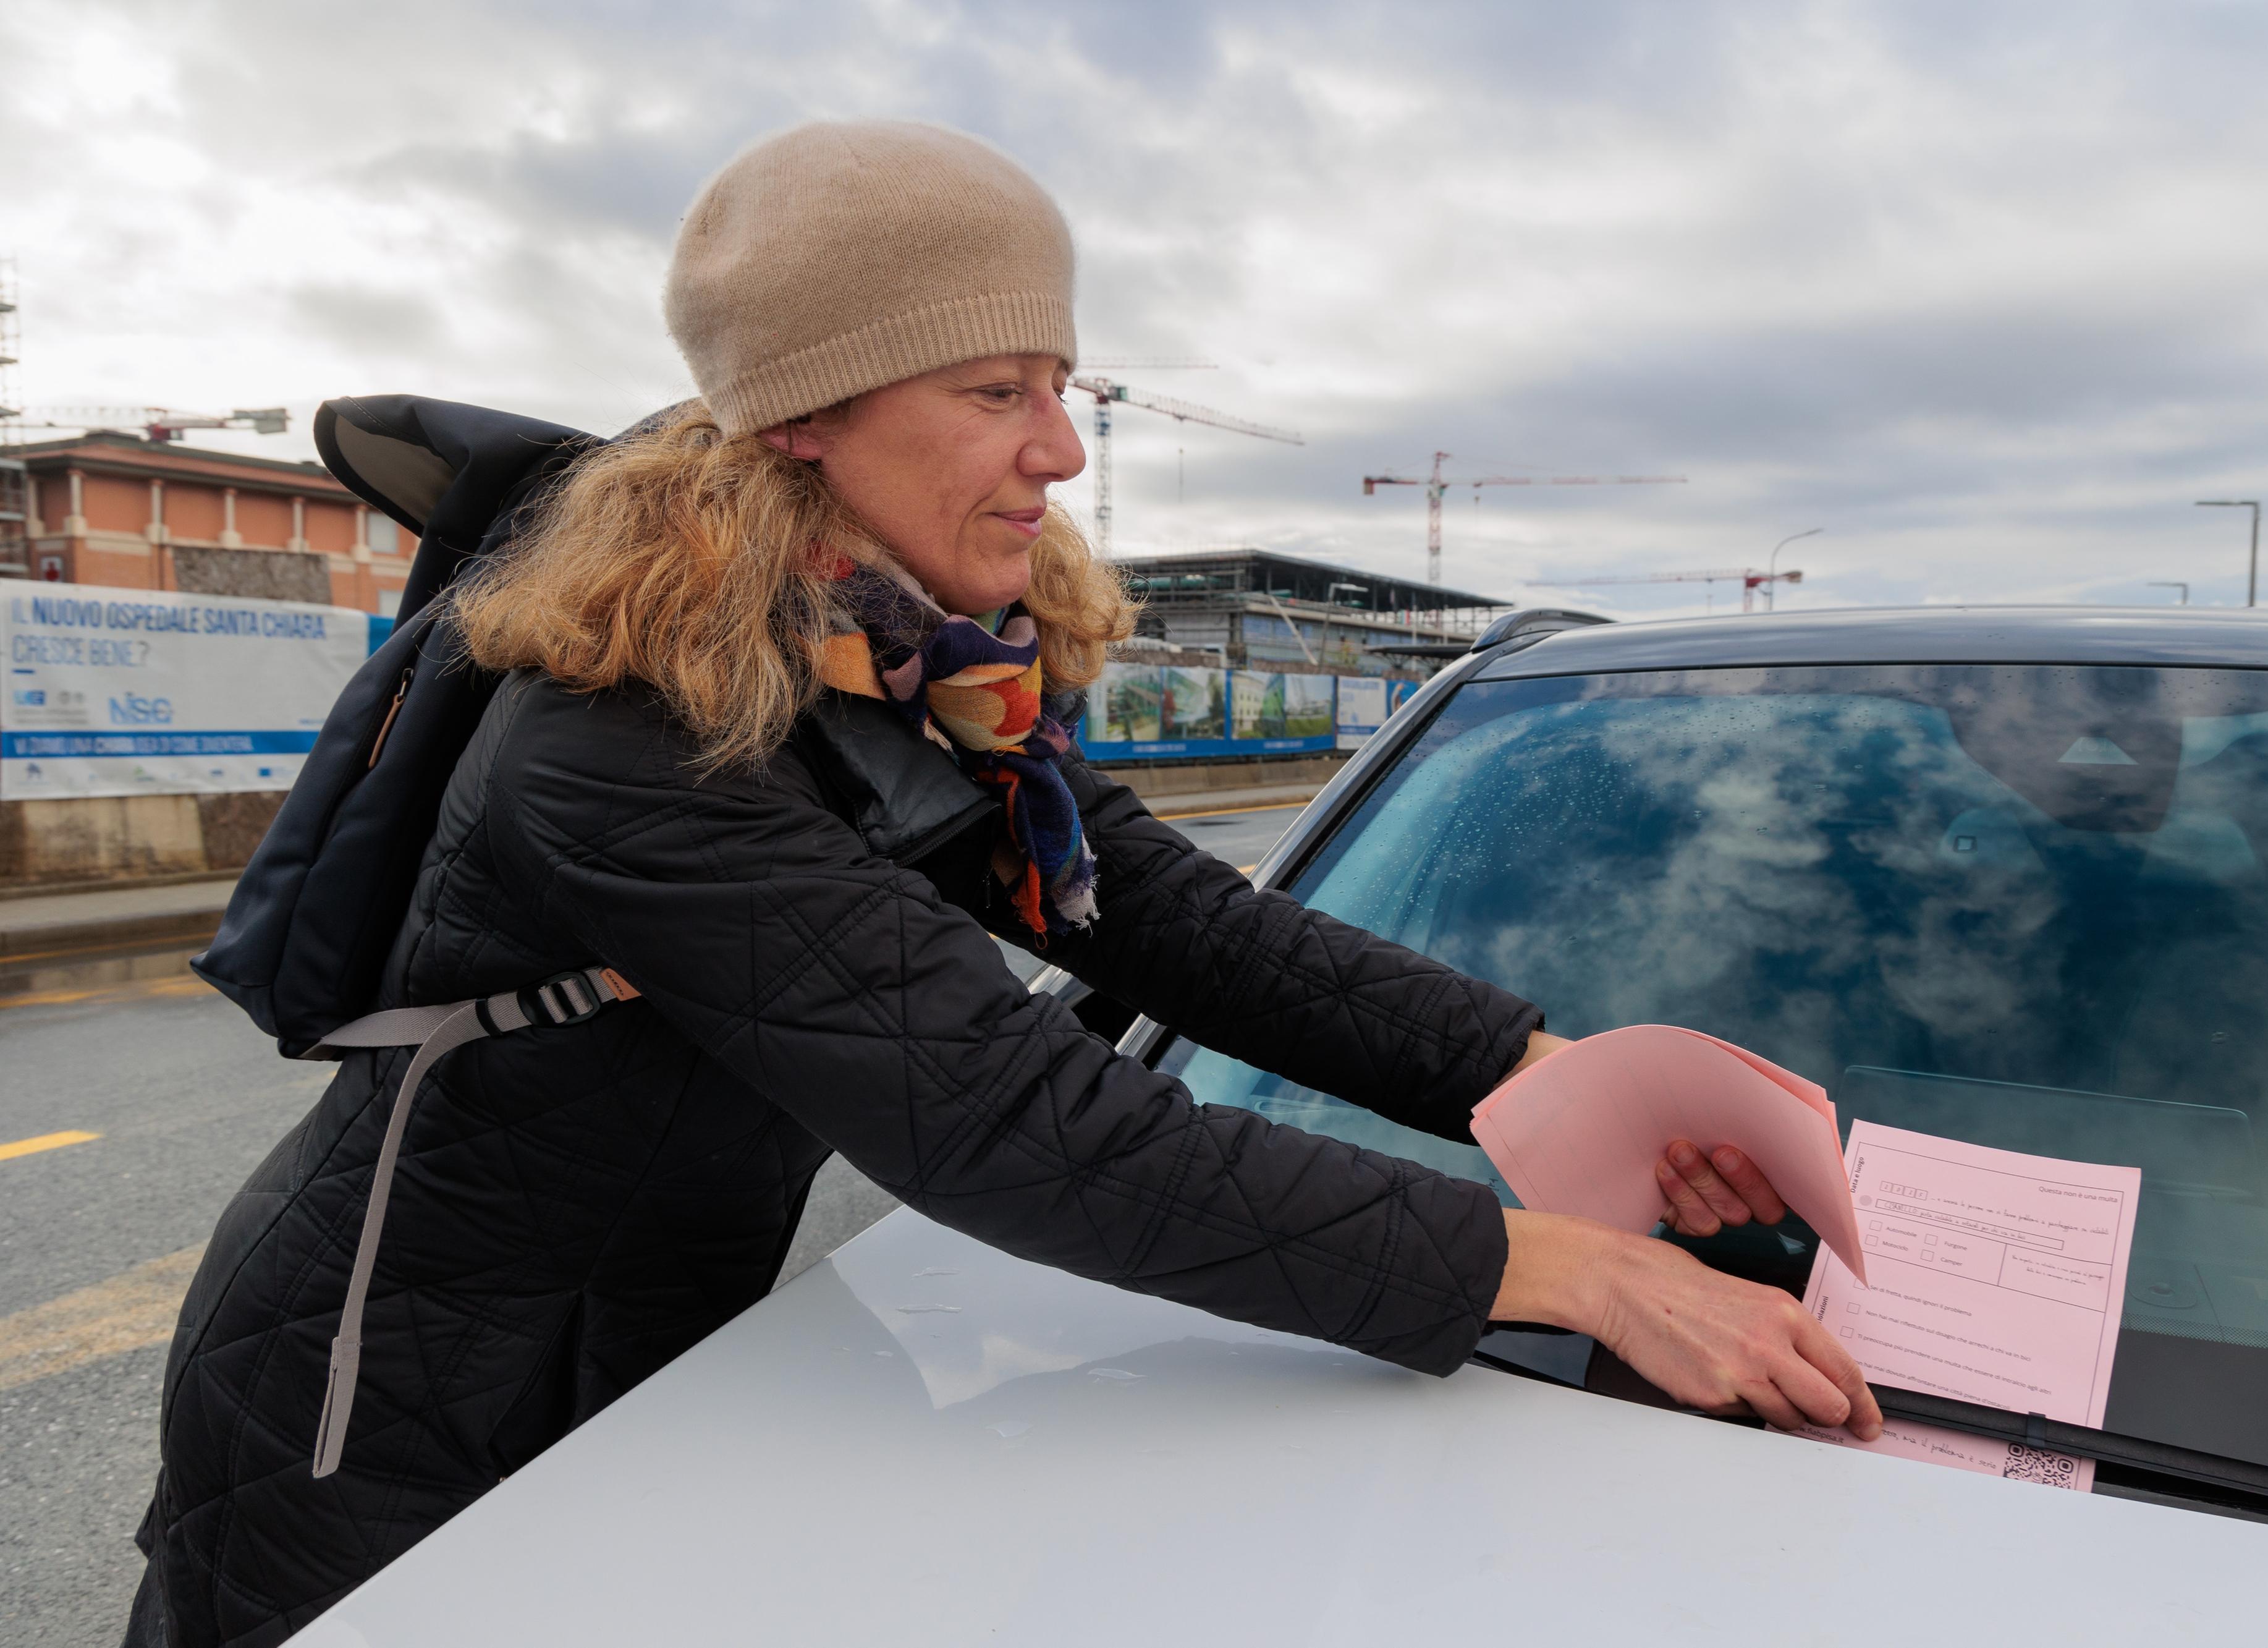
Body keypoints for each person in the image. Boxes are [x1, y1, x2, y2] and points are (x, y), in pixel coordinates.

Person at [125, 120, 1879, 1647]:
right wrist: (1564, 1266)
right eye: (996, 392)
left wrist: (1539, 1069)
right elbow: (1013, 1119)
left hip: (659, 1351)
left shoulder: (898, 679)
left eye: (1062, 385)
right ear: (806, 414)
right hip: (383, 1400)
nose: (1062, 452)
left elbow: (1173, 920)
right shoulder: (616, 743)